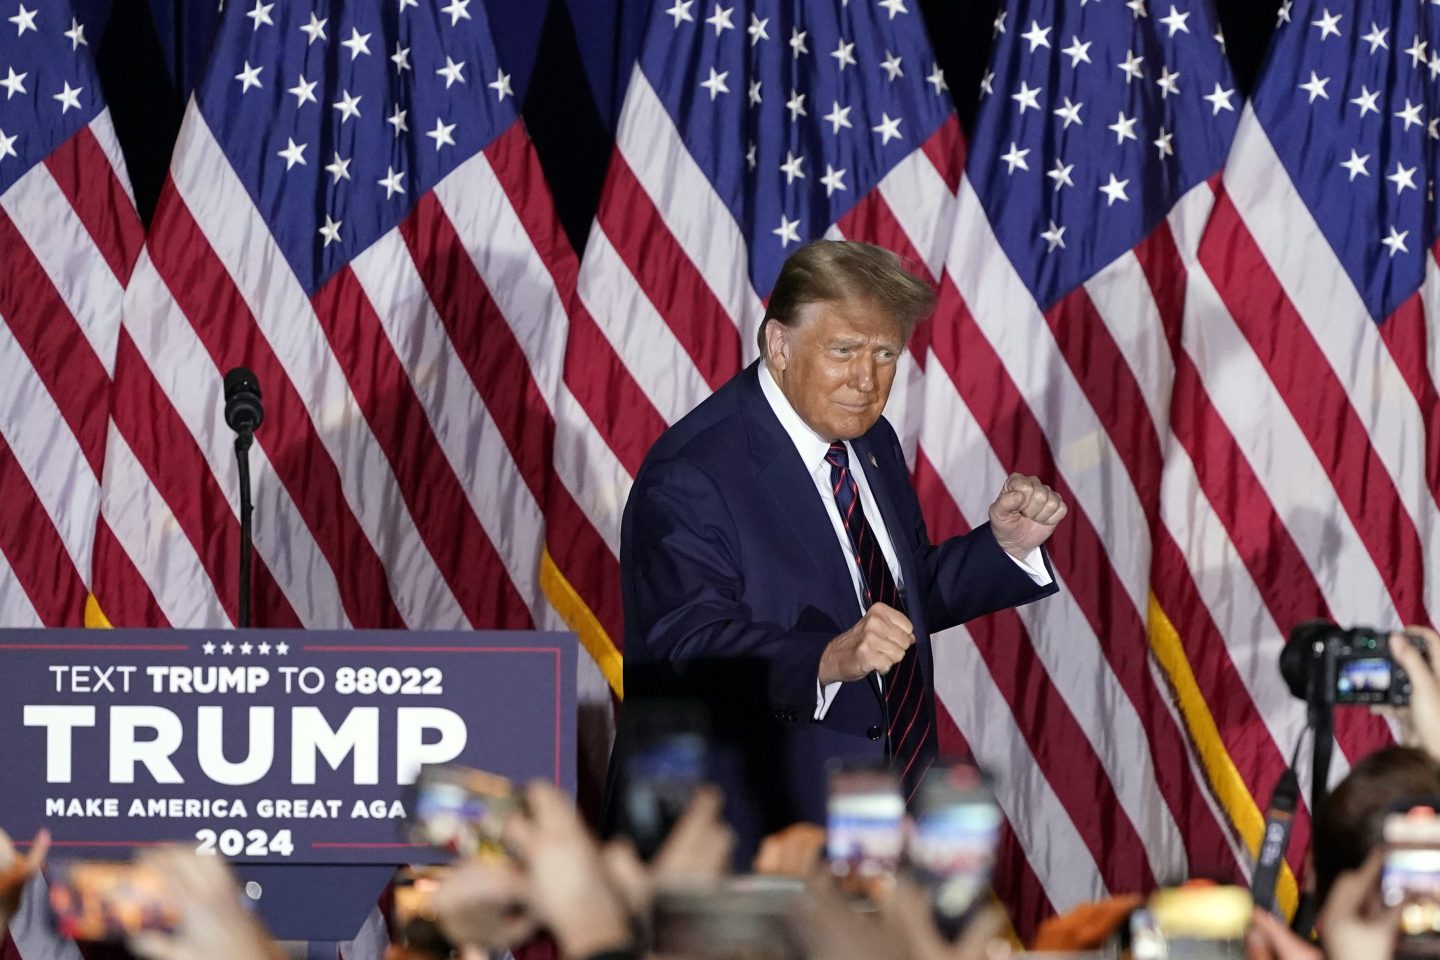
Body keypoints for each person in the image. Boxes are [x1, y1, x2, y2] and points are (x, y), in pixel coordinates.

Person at [612, 240, 1065, 860]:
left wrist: (1003, 549)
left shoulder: (869, 439)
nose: (866, 379)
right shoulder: (693, 473)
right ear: (779, 345)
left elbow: (889, 601)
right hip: (743, 840)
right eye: (844, 350)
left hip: (872, 822)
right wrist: (826, 659)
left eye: (885, 355)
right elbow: (685, 655)